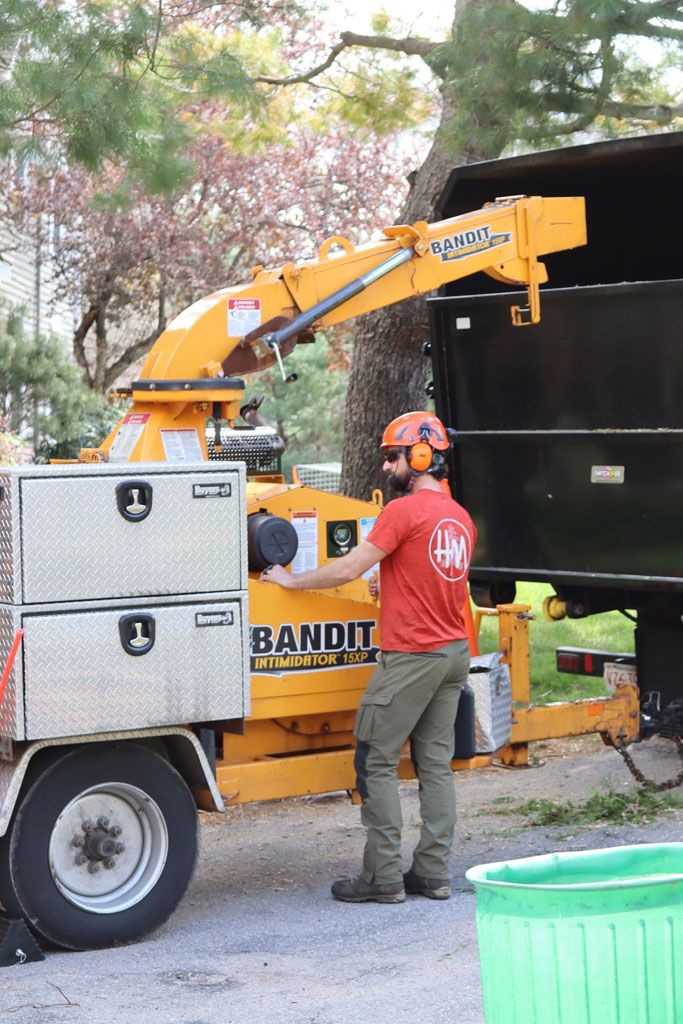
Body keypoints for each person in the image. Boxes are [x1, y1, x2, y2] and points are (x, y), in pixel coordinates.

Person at [259, 411, 476, 904]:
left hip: (411, 657)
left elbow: (350, 568)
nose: (385, 468)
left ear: (421, 456)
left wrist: (290, 580)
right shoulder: (461, 519)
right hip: (452, 653)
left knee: (375, 760)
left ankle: (382, 878)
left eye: (391, 457)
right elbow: (435, 578)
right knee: (435, 765)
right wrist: (393, 581)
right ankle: (434, 873)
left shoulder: (402, 512)